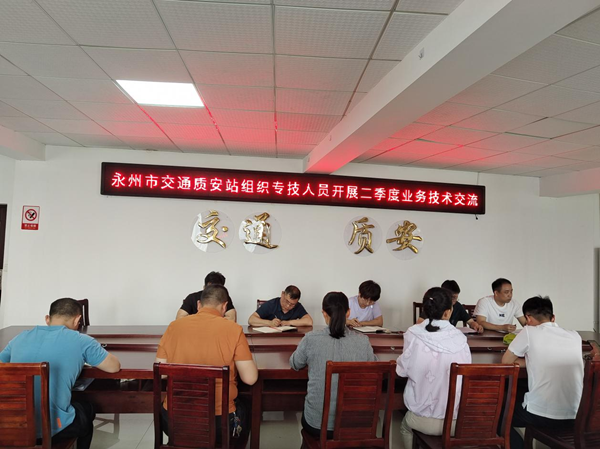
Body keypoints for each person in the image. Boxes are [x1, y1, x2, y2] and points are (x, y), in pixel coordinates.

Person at [0, 298, 121, 449]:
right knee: (87, 409)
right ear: (77, 320)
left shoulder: (19, 338)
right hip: (52, 428)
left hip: (12, 424)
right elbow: (114, 367)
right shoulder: (81, 341)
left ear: (47, 319)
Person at [157, 284, 257, 442]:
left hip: (173, 419)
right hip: (219, 422)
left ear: (199, 304)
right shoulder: (234, 329)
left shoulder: (174, 326)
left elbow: (161, 373)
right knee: (247, 404)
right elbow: (250, 378)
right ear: (224, 306)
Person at [290, 292, 376, 437]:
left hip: (317, 424)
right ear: (348, 313)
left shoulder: (310, 339)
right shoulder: (363, 341)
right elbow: (374, 367)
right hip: (353, 424)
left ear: (324, 313)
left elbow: (295, 364)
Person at [502, 296, 583, 449]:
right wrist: (534, 360)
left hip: (542, 415)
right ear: (553, 317)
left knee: (497, 415)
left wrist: (530, 360)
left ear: (528, 318)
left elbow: (506, 362)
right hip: (576, 414)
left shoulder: (529, 332)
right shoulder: (575, 335)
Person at [397, 287, 472, 448]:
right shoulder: (461, 339)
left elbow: (402, 371)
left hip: (422, 419)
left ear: (425, 309)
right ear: (448, 312)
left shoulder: (414, 333)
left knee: (404, 426)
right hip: (456, 421)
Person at [417, 280, 483, 333]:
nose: (455, 301)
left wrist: (476, 325)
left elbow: (470, 321)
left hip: (450, 336)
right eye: (453, 297)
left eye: (456, 298)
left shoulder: (457, 306)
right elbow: (419, 322)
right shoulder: (434, 304)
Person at [248, 285, 313, 327]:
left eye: (292, 304)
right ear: (282, 294)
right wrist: (270, 323)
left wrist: (289, 322)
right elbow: (251, 320)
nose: (288, 306)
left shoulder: (298, 306)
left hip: (289, 339)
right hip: (270, 338)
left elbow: (309, 321)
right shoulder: (271, 304)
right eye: (287, 301)